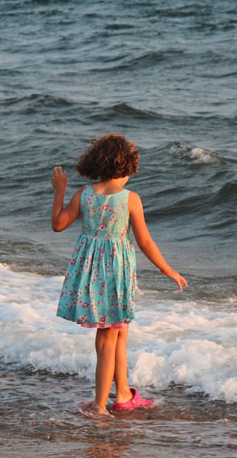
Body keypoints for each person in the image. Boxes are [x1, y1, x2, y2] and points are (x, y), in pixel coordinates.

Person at [51, 132, 187, 418]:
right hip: (115, 274)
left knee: (118, 333)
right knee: (108, 339)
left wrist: (60, 190)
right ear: (124, 168)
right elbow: (145, 242)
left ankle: (123, 394)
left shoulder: (84, 194)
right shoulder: (130, 199)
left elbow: (58, 224)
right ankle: (100, 405)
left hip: (88, 271)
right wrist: (167, 269)